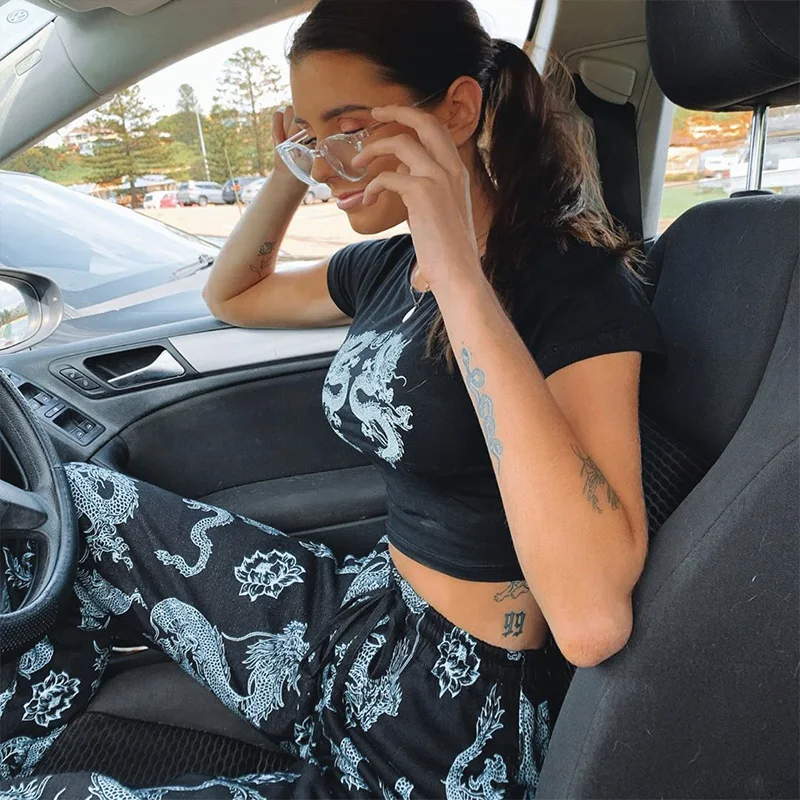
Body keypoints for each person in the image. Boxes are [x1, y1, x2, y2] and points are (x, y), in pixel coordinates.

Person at [0, 0, 667, 797]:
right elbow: (233, 294)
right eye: (310, 136)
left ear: (457, 110)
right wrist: (294, 167)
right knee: (73, 505)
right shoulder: (386, 266)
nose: (327, 167)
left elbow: (591, 620)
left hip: (453, 716)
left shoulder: (574, 283)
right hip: (364, 614)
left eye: (349, 129)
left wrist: (460, 275)